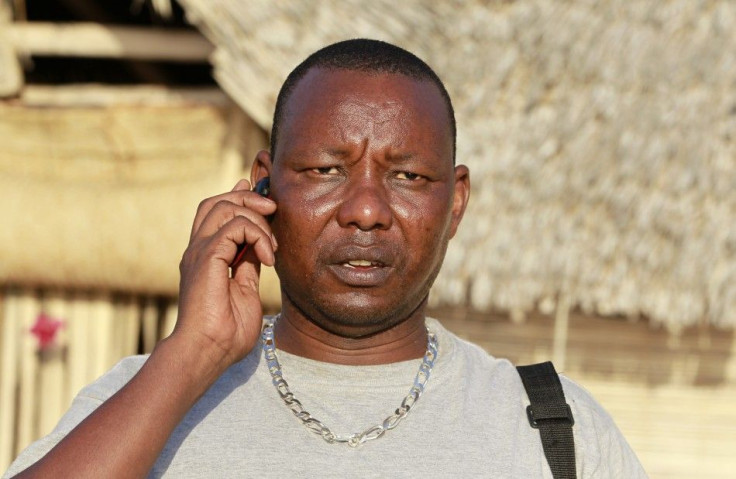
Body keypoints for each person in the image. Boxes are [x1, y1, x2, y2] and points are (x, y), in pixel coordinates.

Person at [4, 39, 646, 478]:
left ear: (455, 204)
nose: (365, 210)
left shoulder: (554, 433)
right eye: (325, 169)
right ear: (262, 187)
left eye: (408, 178)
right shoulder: (140, 403)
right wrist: (193, 353)